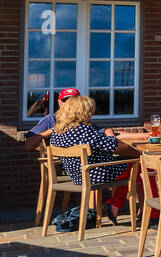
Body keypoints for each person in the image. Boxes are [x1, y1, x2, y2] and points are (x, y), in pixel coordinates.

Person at [48, 94, 140, 228]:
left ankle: (115, 205)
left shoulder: (57, 131)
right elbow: (112, 146)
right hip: (97, 174)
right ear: (83, 111)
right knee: (139, 164)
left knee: (134, 165)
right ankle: (149, 212)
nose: (91, 113)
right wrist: (110, 134)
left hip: (77, 176)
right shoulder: (85, 130)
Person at [24, 87, 80, 153]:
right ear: (59, 102)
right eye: (65, 101)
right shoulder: (51, 119)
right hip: (60, 161)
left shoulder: (84, 120)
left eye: (74, 101)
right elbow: (28, 145)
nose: (70, 104)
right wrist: (53, 130)